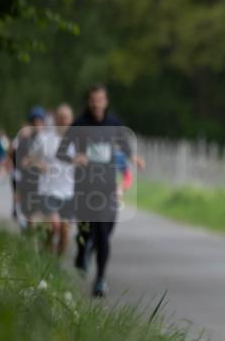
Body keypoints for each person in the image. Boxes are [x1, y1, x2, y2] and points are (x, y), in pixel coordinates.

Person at [57, 84, 143, 297]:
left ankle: (101, 278)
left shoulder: (114, 123)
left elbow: (124, 145)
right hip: (85, 188)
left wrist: (133, 158)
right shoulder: (79, 124)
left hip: (106, 187)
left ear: (106, 102)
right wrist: (74, 158)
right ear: (89, 101)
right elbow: (61, 152)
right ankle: (81, 254)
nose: (97, 104)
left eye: (100, 100)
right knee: (86, 231)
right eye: (93, 100)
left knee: (105, 232)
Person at [26, 104, 76, 256]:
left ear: (71, 120)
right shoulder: (44, 138)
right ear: (55, 118)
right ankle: (45, 256)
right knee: (54, 226)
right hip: (48, 191)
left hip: (69, 192)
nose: (63, 120)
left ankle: (55, 264)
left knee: (65, 233)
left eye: (66, 117)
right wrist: (39, 165)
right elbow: (30, 158)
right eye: (60, 117)